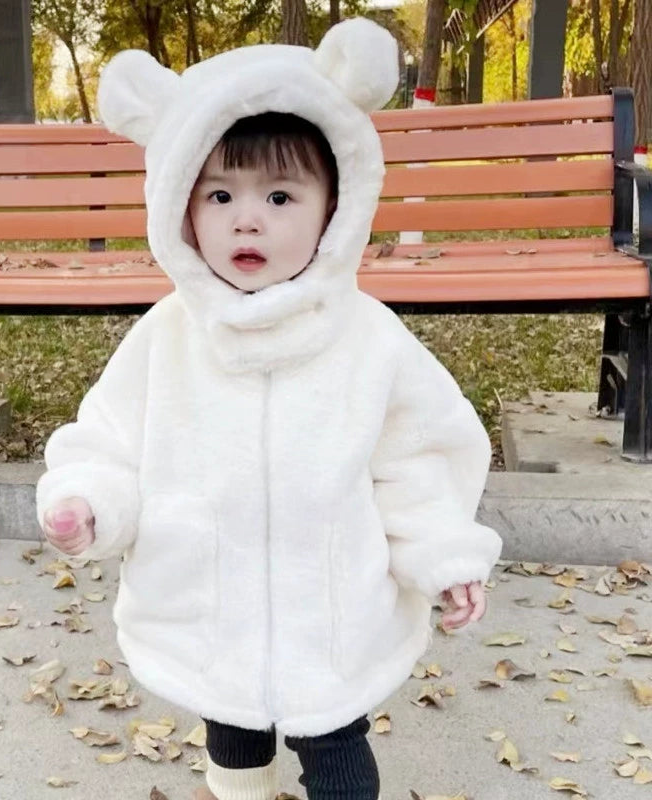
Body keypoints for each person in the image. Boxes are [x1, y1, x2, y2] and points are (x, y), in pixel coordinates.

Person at [36, 18, 502, 800]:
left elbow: (416, 458)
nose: (246, 218)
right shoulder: (167, 338)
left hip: (331, 608)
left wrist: (446, 554)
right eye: (219, 194)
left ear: (337, 209)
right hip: (208, 601)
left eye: (280, 195)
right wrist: (88, 503)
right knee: (234, 730)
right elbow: (108, 441)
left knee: (336, 741)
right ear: (181, 210)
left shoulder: (368, 341)